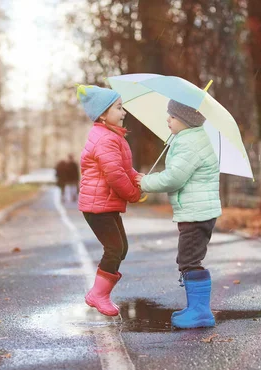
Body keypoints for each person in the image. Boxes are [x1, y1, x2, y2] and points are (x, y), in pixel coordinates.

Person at [137, 98, 221, 329]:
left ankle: (201, 312)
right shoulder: (187, 139)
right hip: (195, 212)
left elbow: (174, 178)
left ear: (185, 119)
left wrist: (145, 182)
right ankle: (195, 308)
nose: (168, 119)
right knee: (188, 259)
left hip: (197, 213)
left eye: (172, 116)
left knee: (189, 260)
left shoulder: (190, 143)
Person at [76, 84, 142, 316]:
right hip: (97, 206)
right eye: (119, 108)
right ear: (103, 114)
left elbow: (123, 168)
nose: (123, 113)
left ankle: (100, 293)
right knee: (114, 248)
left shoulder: (112, 136)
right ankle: (98, 294)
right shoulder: (106, 139)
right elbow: (114, 175)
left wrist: (137, 179)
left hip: (105, 203)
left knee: (120, 249)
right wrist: (134, 194)